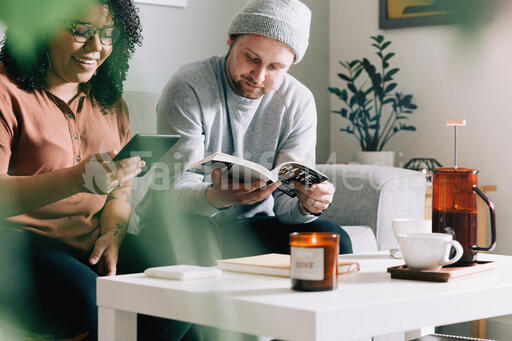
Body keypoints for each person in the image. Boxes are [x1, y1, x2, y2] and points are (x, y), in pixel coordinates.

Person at [0, 1, 190, 340]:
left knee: (180, 294)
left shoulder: (110, 102)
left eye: (107, 34)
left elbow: (121, 190)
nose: (96, 47)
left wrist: (113, 234)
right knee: (92, 304)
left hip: (91, 240)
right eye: (81, 30)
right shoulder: (5, 91)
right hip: (19, 244)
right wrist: (77, 179)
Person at [148, 0, 352, 268]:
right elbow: (171, 188)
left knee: (333, 238)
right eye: (252, 59)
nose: (258, 75)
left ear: (290, 65)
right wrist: (217, 197)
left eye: (275, 67)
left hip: (253, 224)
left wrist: (308, 205)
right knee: (200, 236)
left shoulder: (298, 101)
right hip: (183, 220)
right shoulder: (188, 86)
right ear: (230, 39)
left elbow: (285, 207)